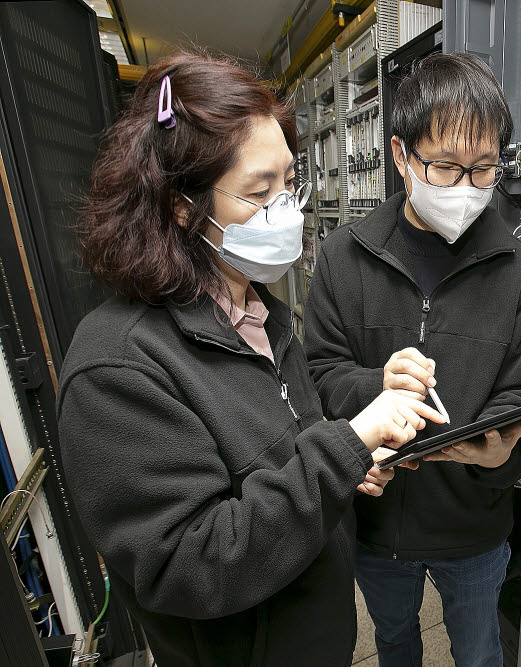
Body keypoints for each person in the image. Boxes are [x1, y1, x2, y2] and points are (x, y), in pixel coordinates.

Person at [56, 50, 443, 667]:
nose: (286, 207)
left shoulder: (261, 313)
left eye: (289, 182)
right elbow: (191, 564)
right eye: (259, 192)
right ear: (182, 206)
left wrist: (347, 462)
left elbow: (283, 449)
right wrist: (344, 448)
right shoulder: (119, 368)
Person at [304, 53, 521, 667]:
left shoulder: (520, 270)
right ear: (399, 155)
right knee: (394, 640)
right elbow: (319, 375)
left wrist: (498, 453)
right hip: (375, 519)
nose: (465, 190)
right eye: (444, 167)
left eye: (484, 170)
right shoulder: (343, 257)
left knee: (478, 650)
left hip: (474, 524)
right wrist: (375, 386)